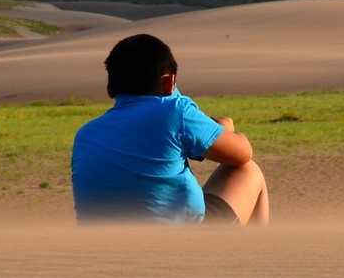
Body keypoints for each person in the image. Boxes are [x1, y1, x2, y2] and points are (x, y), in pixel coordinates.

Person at [71, 33, 269, 226]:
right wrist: (225, 129)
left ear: (109, 90)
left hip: (101, 243)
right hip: (178, 242)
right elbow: (243, 153)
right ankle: (258, 247)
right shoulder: (175, 112)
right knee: (249, 170)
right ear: (169, 82)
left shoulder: (85, 135)